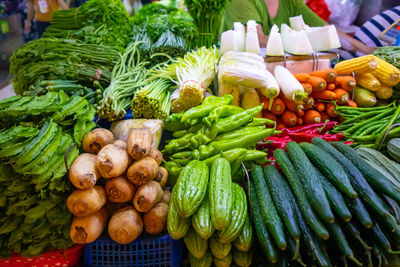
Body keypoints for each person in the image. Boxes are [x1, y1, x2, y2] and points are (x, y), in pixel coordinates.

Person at [221, 0, 375, 55]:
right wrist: (304, 40)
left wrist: (364, 49)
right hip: (242, 71)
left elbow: (326, 30)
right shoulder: (241, 1)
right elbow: (257, 40)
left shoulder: (290, 2)